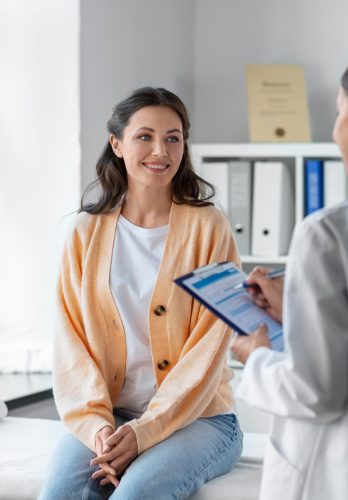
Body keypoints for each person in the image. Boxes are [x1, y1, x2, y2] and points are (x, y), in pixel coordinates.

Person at [39, 87, 243, 500]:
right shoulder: (84, 232)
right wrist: (100, 431)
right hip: (107, 417)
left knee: (136, 493)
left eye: (173, 137)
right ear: (117, 144)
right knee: (61, 492)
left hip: (201, 420)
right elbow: (70, 343)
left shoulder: (211, 228)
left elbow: (211, 346)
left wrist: (145, 431)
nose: (160, 150)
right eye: (145, 136)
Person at [231, 45, 348, 500]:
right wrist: (298, 313)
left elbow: (316, 390)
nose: (335, 128)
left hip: (343, 475)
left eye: (340, 112)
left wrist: (256, 357)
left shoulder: (328, 234)